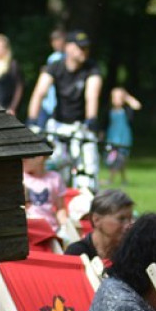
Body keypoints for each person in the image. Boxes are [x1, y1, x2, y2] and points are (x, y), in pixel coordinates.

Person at [25, 30, 103, 191]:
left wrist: (90, 122)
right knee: (56, 168)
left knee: (87, 169)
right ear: (68, 48)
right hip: (58, 125)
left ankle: (87, 202)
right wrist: (32, 122)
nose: (84, 52)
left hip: (81, 125)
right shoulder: (55, 67)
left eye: (86, 48)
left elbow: (92, 96)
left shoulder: (92, 68)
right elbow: (39, 93)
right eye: (80, 48)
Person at [64, 188, 135, 260]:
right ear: (96, 220)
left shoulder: (130, 253)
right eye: (121, 219)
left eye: (131, 219)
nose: (129, 224)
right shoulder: (76, 253)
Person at [22, 153, 69, 234]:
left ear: (40, 157)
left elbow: (60, 208)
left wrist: (65, 226)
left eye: (26, 159)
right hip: (29, 230)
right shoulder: (21, 178)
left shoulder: (54, 178)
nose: (22, 161)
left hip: (51, 229)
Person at [105, 87, 142, 186]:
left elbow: (137, 106)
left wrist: (127, 97)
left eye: (119, 98)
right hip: (112, 138)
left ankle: (114, 179)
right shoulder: (109, 111)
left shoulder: (126, 111)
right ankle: (118, 179)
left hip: (123, 138)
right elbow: (105, 124)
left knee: (121, 159)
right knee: (114, 159)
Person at [36, 28, 65, 127]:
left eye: (59, 40)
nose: (56, 43)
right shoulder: (52, 57)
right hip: (47, 102)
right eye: (54, 41)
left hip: (57, 104)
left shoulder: (66, 58)